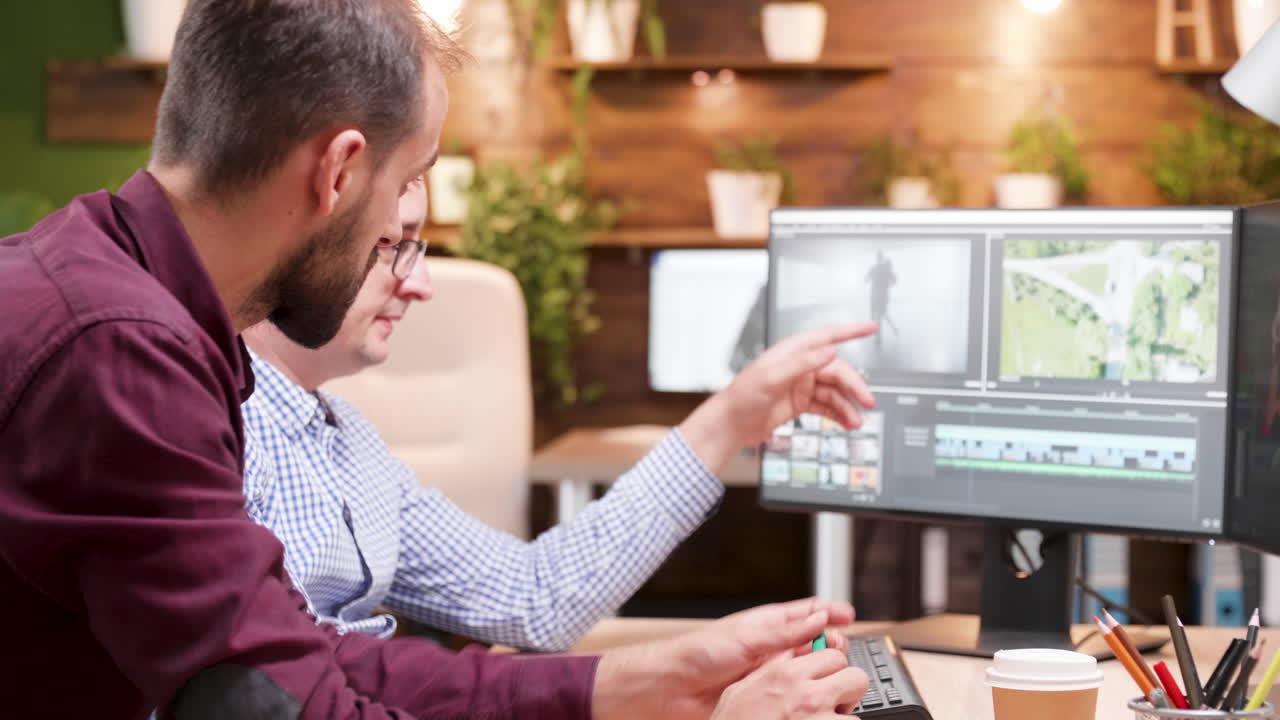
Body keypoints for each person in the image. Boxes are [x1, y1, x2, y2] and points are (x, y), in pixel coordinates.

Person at [0, 1, 873, 718]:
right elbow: (283, 706)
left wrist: (635, 683)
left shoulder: (108, 297)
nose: (414, 270)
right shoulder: (118, 352)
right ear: (339, 173)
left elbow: (311, 663)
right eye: (403, 194)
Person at [241, 180, 881, 651]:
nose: (422, 284)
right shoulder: (221, 435)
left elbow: (533, 597)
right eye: (391, 245)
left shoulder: (347, 442)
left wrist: (730, 421)